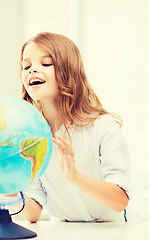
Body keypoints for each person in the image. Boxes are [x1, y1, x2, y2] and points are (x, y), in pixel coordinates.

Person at [18, 32, 130, 223]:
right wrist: (5, 187)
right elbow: (32, 214)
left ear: (68, 71)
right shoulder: (30, 139)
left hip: (113, 233)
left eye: (46, 63)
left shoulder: (102, 126)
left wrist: (75, 176)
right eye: (26, 66)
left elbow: (120, 201)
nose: (32, 70)